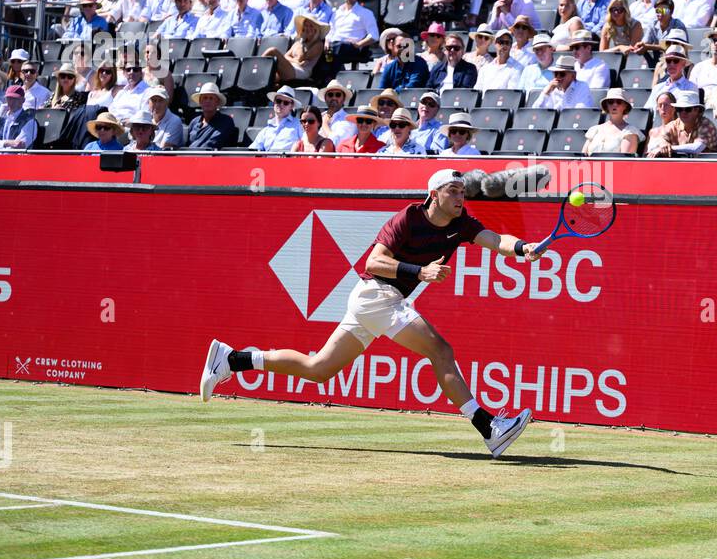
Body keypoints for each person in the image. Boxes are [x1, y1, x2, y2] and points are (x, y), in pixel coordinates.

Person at [200, 169, 539, 459]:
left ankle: (233, 359)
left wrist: (524, 249)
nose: (460, 197)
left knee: (319, 369)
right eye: (453, 191)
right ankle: (489, 428)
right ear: (434, 194)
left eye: (463, 192)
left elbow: (496, 241)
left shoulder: (461, 223)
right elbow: (372, 263)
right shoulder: (407, 218)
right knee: (441, 351)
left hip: (374, 301)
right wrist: (419, 272)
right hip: (377, 295)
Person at [646, 89, 717, 156]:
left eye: (688, 109)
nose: (683, 113)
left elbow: (696, 148)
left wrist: (670, 148)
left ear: (697, 110)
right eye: (679, 109)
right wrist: (663, 144)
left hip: (711, 167)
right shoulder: (674, 125)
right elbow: (661, 138)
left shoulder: (706, 124)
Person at [187, 82, 239, 150]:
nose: (208, 101)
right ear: (200, 102)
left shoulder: (226, 121)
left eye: (211, 98)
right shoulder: (194, 122)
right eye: (205, 98)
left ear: (217, 102)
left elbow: (213, 143)